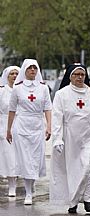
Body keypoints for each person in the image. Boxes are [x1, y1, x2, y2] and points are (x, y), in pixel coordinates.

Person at [50, 64, 90, 213]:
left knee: (89, 168)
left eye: (82, 75)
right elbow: (57, 118)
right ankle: (73, 201)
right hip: (70, 137)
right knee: (73, 170)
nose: (79, 77)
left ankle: (88, 199)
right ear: (70, 76)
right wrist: (57, 139)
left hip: (89, 137)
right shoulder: (62, 94)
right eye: (76, 74)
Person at [6, 59, 52, 205]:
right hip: (21, 126)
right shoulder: (18, 88)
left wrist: (49, 126)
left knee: (35, 158)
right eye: (29, 68)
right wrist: (9, 129)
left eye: (35, 68)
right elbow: (12, 109)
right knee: (25, 159)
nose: (32, 70)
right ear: (24, 71)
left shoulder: (43, 88)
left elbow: (47, 108)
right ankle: (28, 192)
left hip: (37, 125)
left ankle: (31, 184)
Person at [0, 66, 20, 197]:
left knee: (20, 156)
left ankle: (28, 182)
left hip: (21, 124)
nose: (14, 76)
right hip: (5, 124)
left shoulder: (22, 90)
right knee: (8, 157)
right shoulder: (2, 91)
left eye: (16, 73)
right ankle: (11, 185)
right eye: (11, 74)